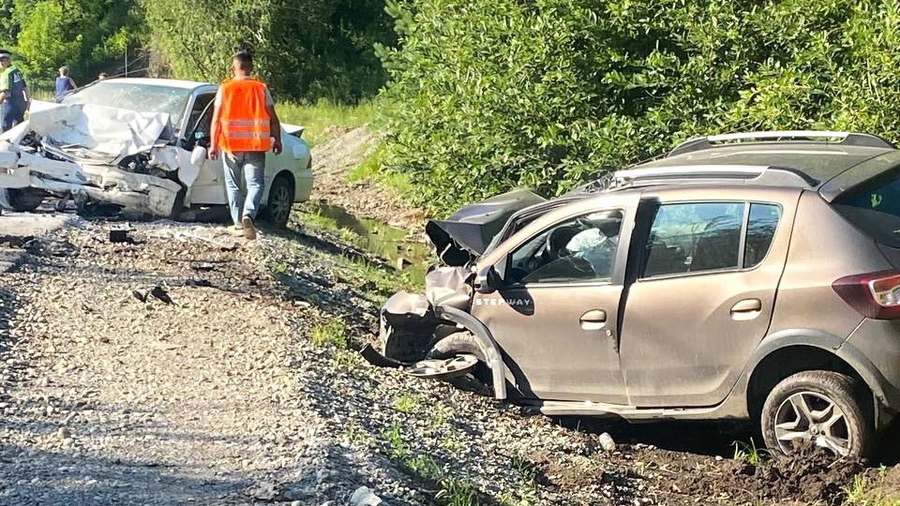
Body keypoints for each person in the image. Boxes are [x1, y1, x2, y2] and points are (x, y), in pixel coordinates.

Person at [209, 50, 282, 240]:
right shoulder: (261, 89)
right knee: (256, 184)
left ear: (234, 67)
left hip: (231, 146)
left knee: (233, 185)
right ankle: (248, 213)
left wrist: (213, 145)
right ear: (251, 67)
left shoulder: (225, 89)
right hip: (256, 146)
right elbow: (273, 119)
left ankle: (238, 224)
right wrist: (278, 139)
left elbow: (216, 120)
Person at [0, 49, 29, 132]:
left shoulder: (6, 73)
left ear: (8, 60)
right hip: (20, 104)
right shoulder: (17, 71)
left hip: (9, 105)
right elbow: (25, 87)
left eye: (2, 60)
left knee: (6, 129)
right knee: (19, 129)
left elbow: (5, 93)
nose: (0, 63)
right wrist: (27, 101)